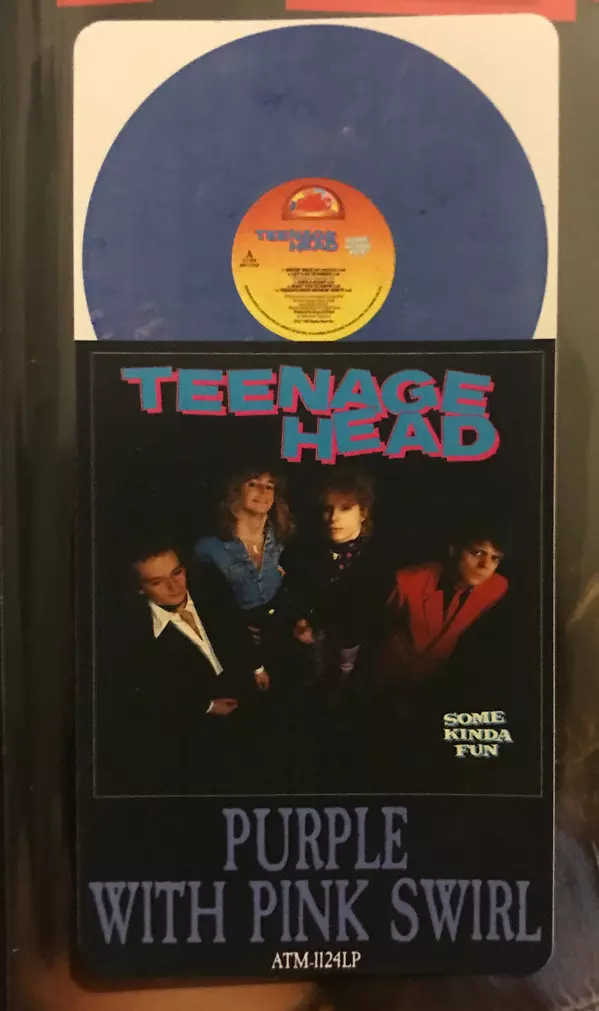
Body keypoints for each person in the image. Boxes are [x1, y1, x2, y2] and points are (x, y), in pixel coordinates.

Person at [97, 540, 265, 796]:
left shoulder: (212, 593)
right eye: (157, 582)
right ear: (139, 588)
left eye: (177, 573)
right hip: (196, 735)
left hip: (247, 700)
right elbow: (146, 697)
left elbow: (237, 630)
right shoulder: (130, 636)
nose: (174, 587)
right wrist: (205, 706)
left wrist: (258, 668)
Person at [287, 466, 391, 710]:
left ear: (363, 513)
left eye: (345, 508)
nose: (333, 517)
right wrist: (301, 619)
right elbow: (297, 592)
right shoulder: (307, 551)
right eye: (328, 508)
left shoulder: (380, 558)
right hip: (316, 645)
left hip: (357, 648)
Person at [194, 467, 295, 685]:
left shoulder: (280, 535)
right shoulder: (208, 548)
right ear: (234, 491)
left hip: (279, 633)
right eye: (253, 484)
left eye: (269, 486)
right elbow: (215, 611)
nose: (263, 491)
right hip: (239, 644)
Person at [379, 525, 509, 684]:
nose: (485, 565)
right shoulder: (407, 581)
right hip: (384, 668)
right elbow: (381, 623)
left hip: (429, 677)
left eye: (495, 558)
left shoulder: (497, 588)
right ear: (454, 549)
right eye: (477, 553)